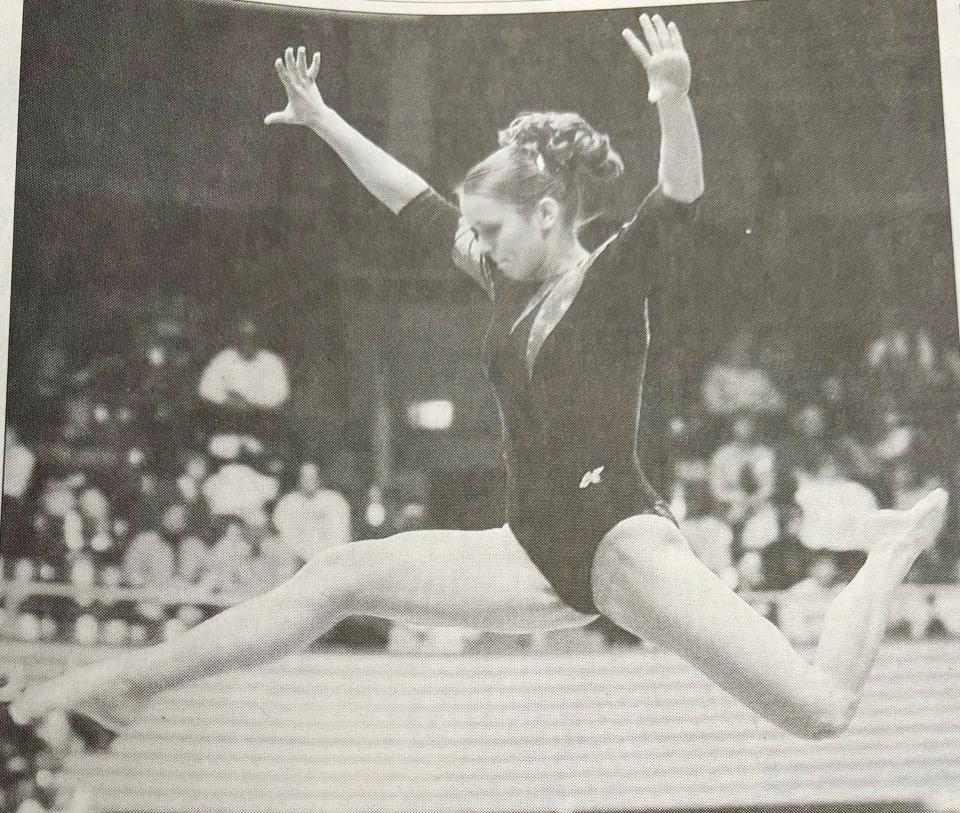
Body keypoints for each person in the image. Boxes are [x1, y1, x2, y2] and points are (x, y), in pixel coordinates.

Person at [6, 18, 950, 742]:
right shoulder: (508, 275)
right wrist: (327, 121)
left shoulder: (609, 279)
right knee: (338, 574)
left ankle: (888, 551)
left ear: (547, 212)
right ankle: (131, 684)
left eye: (494, 228)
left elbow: (682, 195)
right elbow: (414, 205)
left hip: (622, 544)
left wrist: (671, 97)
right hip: (530, 547)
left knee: (820, 710)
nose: (477, 243)